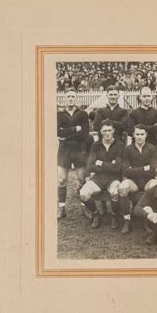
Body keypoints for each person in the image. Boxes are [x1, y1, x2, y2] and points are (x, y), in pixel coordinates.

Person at [79, 120, 124, 229]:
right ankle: (95, 214)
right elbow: (90, 166)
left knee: (114, 192)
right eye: (104, 131)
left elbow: (118, 167)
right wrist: (110, 165)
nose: (107, 133)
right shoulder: (96, 145)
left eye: (109, 130)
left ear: (113, 131)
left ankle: (114, 215)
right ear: (100, 132)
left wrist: (100, 163)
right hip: (98, 178)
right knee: (83, 193)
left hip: (113, 178)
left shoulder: (119, 145)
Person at [118, 124, 157, 234]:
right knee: (122, 187)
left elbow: (154, 169)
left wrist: (134, 169)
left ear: (146, 135)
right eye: (137, 134)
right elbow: (125, 170)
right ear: (133, 135)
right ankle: (127, 220)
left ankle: (148, 219)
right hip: (133, 182)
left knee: (155, 186)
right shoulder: (127, 149)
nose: (140, 137)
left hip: (147, 180)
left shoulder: (152, 148)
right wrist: (144, 168)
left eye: (142, 134)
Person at [57, 88, 90, 219]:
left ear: (76, 99)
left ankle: (84, 207)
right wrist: (75, 129)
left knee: (82, 179)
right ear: (65, 99)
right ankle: (61, 208)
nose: (70, 98)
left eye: (73, 96)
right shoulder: (59, 115)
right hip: (64, 150)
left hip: (79, 149)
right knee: (61, 180)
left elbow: (85, 134)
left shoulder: (83, 114)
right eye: (68, 96)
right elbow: (57, 132)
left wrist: (66, 133)